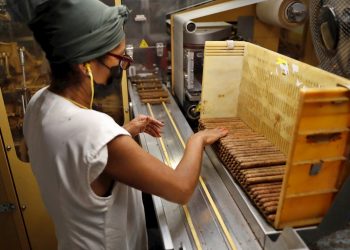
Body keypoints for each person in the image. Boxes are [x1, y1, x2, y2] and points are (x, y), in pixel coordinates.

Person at [23, 0, 228, 249]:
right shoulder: (95, 131)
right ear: (82, 64)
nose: (121, 65)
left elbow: (79, 160)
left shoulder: (38, 102)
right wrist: (198, 140)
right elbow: (181, 189)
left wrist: (122, 133)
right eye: (119, 58)